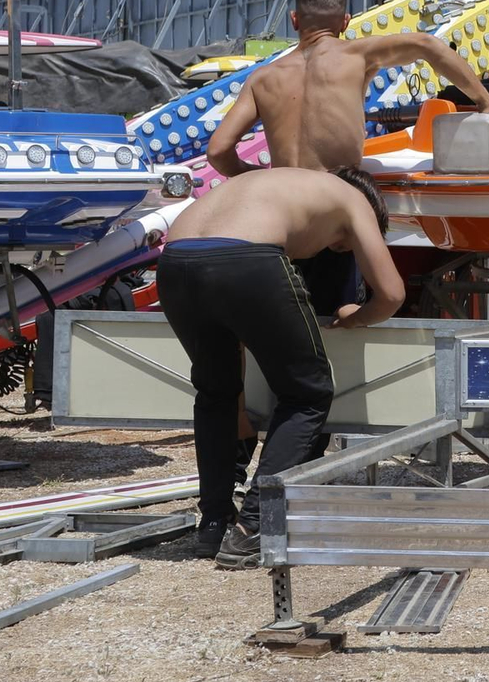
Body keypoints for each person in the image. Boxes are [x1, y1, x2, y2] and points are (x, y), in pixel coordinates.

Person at [156, 165, 403, 568]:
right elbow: (391, 294)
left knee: (217, 391)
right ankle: (254, 527)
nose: (335, 250)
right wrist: (355, 317)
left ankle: (214, 524)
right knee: (308, 392)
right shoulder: (355, 201)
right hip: (248, 260)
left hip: (176, 261)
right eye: (342, 246)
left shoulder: (277, 181)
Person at [206, 0, 489, 313]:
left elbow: (218, 152)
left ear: (295, 20)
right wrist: (485, 103)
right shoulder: (357, 54)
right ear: (345, 22)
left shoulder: (263, 78)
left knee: (285, 319)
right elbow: (427, 46)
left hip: (280, 218)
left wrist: (263, 178)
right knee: (338, 319)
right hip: (333, 214)